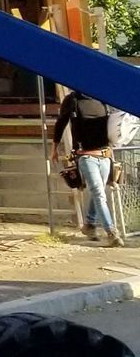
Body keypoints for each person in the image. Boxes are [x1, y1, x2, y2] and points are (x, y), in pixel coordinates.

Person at [52, 85, 121, 243]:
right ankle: (111, 233)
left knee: (99, 192)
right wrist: (54, 148)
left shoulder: (103, 98)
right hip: (85, 156)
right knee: (98, 191)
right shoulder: (72, 100)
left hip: (104, 155)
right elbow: (61, 123)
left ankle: (89, 224)